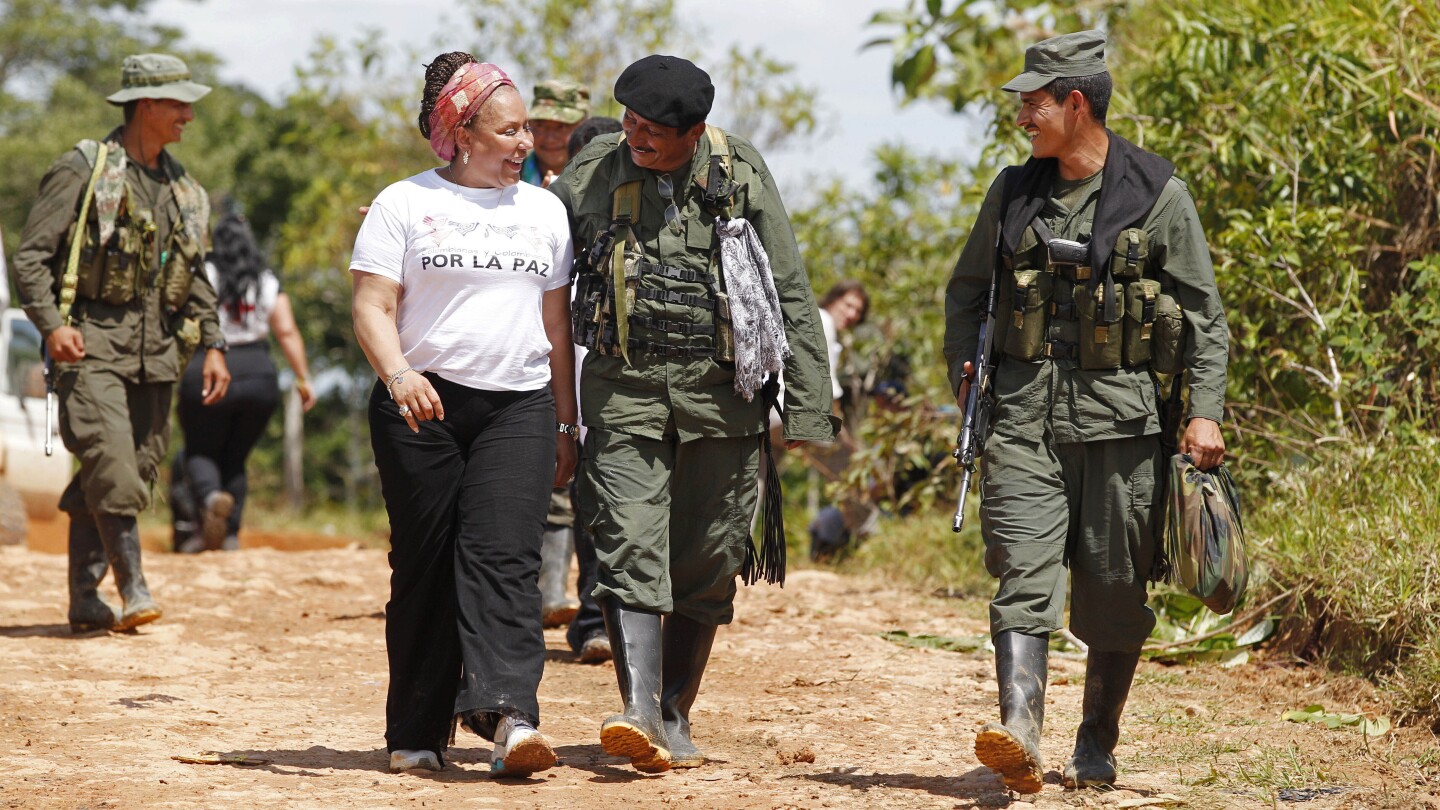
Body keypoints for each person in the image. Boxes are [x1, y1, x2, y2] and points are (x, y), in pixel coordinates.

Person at [944, 31, 1228, 793]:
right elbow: (967, 291)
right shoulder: (1012, 192)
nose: (1021, 118)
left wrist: (1204, 412)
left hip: (1122, 424)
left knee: (1111, 590)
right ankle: (1020, 731)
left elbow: (1203, 315)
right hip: (1022, 417)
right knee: (1022, 572)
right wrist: (964, 381)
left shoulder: (1157, 193)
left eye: (1033, 104)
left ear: (1076, 103)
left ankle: (1096, 741)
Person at [550, 54, 836, 773]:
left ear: (695, 130)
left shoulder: (741, 172)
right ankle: (638, 707)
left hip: (724, 398)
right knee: (628, 540)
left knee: (708, 560)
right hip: (626, 389)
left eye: (651, 128)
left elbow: (790, 288)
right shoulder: (595, 172)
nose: (633, 135)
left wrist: (808, 407)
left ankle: (674, 711)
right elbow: (540, 262)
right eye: (629, 121)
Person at [350, 51, 576, 777]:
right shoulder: (404, 204)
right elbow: (372, 306)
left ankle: (510, 716)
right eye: (508, 131)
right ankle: (416, 726)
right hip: (423, 408)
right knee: (426, 563)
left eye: (524, 133)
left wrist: (568, 422)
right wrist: (399, 373)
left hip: (519, 405)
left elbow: (558, 327)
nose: (523, 143)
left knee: (508, 557)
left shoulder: (545, 210)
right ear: (463, 132)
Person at [13, 53, 231, 634]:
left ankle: (85, 599)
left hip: (158, 355)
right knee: (112, 464)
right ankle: (134, 590)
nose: (188, 114)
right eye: (178, 103)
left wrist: (214, 344)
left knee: (125, 468)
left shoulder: (184, 189)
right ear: (146, 105)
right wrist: (51, 326)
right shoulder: (82, 171)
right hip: (89, 348)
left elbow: (196, 275)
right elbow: (30, 257)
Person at [173, 211, 317, 553]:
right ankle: (231, 534)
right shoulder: (266, 279)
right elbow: (286, 330)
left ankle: (210, 499)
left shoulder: (203, 274)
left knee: (201, 449)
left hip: (207, 367)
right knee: (236, 456)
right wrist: (303, 377)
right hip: (258, 374)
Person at [557, 116, 624, 664]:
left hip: (620, 388)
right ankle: (590, 617)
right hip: (571, 389)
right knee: (588, 506)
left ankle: (606, 617)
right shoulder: (549, 217)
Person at [805, 280, 870, 559]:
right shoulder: (823, 319)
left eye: (858, 310)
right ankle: (868, 545)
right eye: (849, 305)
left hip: (770, 413)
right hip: (803, 416)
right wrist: (843, 436)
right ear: (833, 299)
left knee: (755, 482)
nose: (852, 314)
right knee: (852, 478)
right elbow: (825, 383)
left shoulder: (807, 317)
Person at [521, 79, 590, 188]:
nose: (550, 139)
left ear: (584, 127)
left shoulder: (601, 179)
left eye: (562, 127)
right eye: (541, 126)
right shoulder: (507, 178)